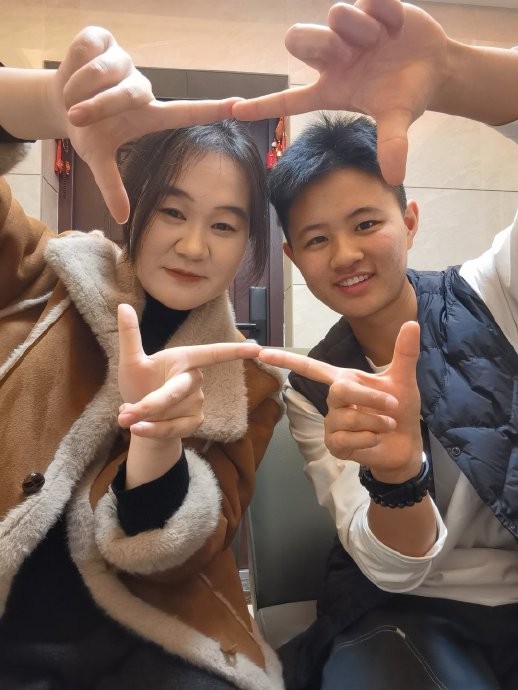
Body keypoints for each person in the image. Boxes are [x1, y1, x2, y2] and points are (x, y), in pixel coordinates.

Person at [237, 1, 518, 689]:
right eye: (317, 239)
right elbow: (390, 567)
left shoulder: (497, 289)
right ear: (294, 257)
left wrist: (453, 72)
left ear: (410, 220)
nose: (345, 255)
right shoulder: (315, 388)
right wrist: (397, 480)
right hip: (402, 613)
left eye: (366, 223)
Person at [0, 27, 285, 690]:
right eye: (173, 212)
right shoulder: (47, 272)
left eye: (223, 225)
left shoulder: (249, 383)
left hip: (150, 637)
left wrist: (156, 443)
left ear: (248, 244)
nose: (193, 246)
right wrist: (48, 101)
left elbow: (188, 558)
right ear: (135, 205)